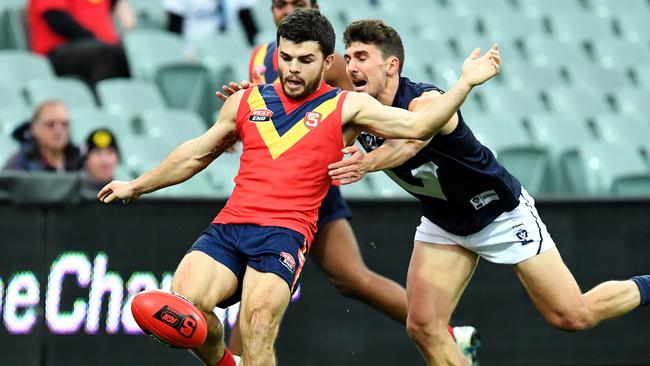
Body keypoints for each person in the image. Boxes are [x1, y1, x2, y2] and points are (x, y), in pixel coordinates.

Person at [98, 9, 499, 366]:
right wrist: (136, 184)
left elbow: (417, 127)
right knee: (187, 306)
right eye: (285, 58)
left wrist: (464, 84)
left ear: (327, 62)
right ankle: (223, 361)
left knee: (257, 331)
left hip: (284, 236)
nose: (292, 68)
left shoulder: (347, 107)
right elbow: (194, 154)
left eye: (305, 60)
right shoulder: (246, 102)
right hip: (229, 227)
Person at [325, 19, 650, 366]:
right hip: (445, 221)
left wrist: (368, 162)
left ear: (391, 66)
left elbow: (409, 141)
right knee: (423, 327)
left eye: (361, 56)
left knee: (572, 316)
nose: (352, 66)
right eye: (348, 57)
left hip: (498, 214)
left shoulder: (425, 101)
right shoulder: (359, 108)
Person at [28, 0, 133, 89]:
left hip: (100, 48)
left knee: (133, 56)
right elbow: (56, 19)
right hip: (57, 52)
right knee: (108, 56)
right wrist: (91, 39)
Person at [3, 100, 81, 172]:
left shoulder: (81, 162)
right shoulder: (19, 165)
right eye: (50, 124)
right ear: (34, 128)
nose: (58, 131)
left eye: (64, 124)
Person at [80, 128, 120, 198]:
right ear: (86, 160)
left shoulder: (124, 194)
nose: (105, 160)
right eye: (98, 153)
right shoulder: (73, 195)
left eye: (110, 153)